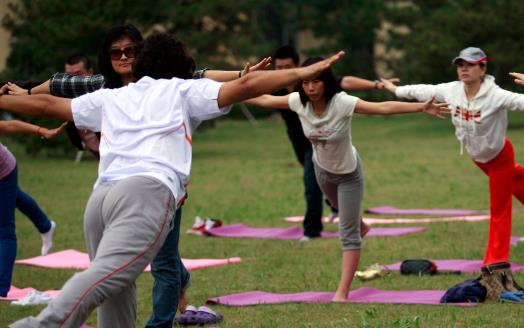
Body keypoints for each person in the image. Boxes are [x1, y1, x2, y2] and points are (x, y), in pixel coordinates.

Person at [1, 32, 345, 327]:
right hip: (145, 193)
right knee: (104, 277)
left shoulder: (112, 96)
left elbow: (47, 105)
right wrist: (304, 71)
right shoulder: (182, 90)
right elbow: (247, 84)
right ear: (181, 66)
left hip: (100, 201)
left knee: (115, 293)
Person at [245, 56, 448, 302]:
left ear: (326, 82)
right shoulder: (298, 101)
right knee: (344, 214)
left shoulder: (341, 102)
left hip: (348, 175)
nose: (310, 88)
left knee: (347, 233)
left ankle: (342, 292)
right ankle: (360, 224)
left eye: (316, 82)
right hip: (322, 171)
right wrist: (236, 87)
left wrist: (420, 107)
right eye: (306, 82)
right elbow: (264, 99)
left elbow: (382, 109)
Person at [381, 47, 524, 299]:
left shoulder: (497, 95)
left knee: (499, 209)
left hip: (499, 157)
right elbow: (422, 90)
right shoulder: (451, 90)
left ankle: (495, 264)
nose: (464, 69)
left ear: (483, 69)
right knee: (518, 180)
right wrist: (394, 90)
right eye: (460, 65)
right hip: (478, 158)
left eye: (470, 65)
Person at [272, 45, 399, 240]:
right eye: (278, 68)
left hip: (324, 140)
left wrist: (375, 85)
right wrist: (229, 92)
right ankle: (337, 207)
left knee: (311, 184)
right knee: (323, 180)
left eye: (287, 67)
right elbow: (259, 96)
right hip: (299, 141)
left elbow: (345, 81)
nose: (282, 72)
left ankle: (311, 231)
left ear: (298, 66)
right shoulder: (279, 89)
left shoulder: (317, 82)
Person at [0, 120, 66, 297]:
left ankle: (1, 288)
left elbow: (9, 125)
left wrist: (41, 129)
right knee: (16, 197)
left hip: (4, 172)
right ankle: (45, 225)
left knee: (5, 230)